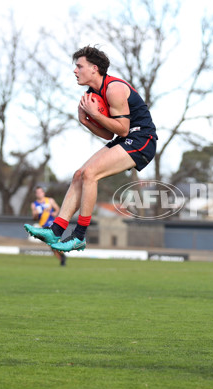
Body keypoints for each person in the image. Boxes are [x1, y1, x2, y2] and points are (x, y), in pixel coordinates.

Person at [24, 46, 157, 252]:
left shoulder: (114, 89)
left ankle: (79, 236)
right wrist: (85, 121)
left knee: (90, 174)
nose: (75, 71)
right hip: (127, 138)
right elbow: (108, 135)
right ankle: (56, 230)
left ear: (95, 68)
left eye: (79, 66)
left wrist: (95, 115)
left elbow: (122, 130)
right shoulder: (92, 94)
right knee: (79, 175)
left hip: (142, 139)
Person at [31, 186, 66, 266]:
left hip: (52, 224)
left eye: (40, 192)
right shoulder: (34, 205)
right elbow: (34, 218)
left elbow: (57, 208)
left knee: (54, 242)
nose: (39, 194)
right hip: (43, 227)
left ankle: (62, 257)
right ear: (36, 194)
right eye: (37, 192)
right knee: (51, 246)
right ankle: (62, 258)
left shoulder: (50, 200)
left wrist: (55, 213)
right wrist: (35, 214)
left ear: (43, 193)